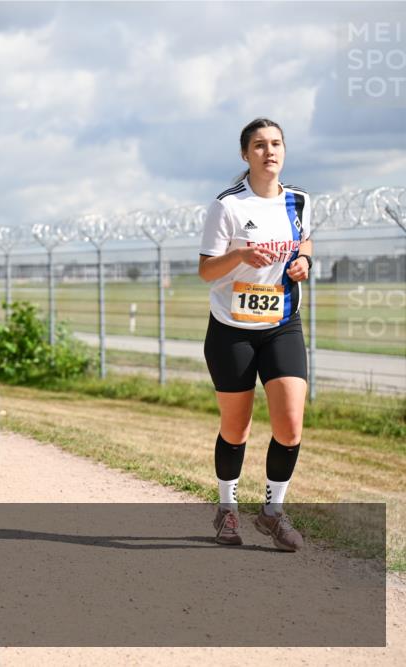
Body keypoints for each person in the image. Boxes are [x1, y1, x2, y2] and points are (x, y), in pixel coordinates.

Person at [199, 117, 313, 552]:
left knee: (290, 426)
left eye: (277, 144)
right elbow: (206, 271)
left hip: (282, 323)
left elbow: (305, 241)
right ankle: (227, 508)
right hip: (233, 330)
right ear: (245, 155)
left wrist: (304, 261)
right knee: (237, 428)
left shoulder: (299, 200)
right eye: (260, 145)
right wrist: (240, 255)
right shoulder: (227, 207)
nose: (270, 152)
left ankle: (272, 512)